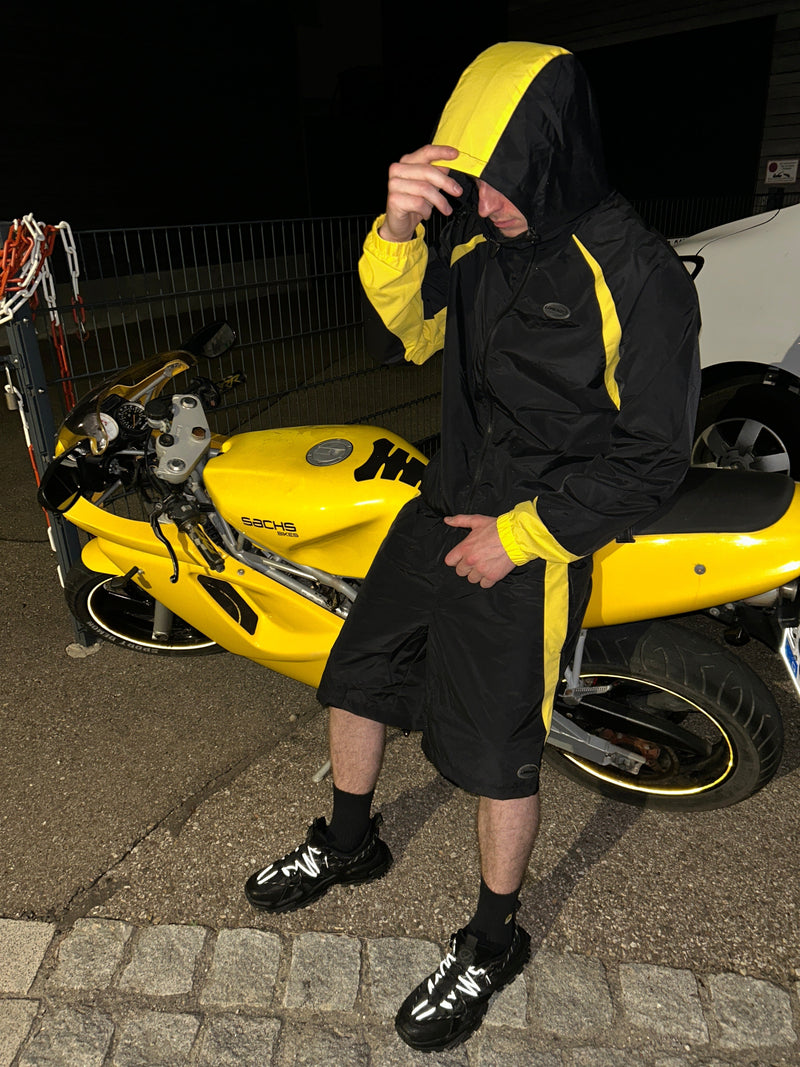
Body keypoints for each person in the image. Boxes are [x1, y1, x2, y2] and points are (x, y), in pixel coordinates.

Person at [244, 41, 701, 1053]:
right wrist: (397, 230)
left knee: (496, 752)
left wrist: (521, 536)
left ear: (553, 156)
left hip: (534, 536)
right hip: (444, 495)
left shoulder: (639, 274)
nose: (480, 203)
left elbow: (652, 458)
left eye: (498, 182)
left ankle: (493, 938)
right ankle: (349, 841)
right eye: (467, 184)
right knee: (357, 672)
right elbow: (411, 335)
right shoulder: (475, 240)